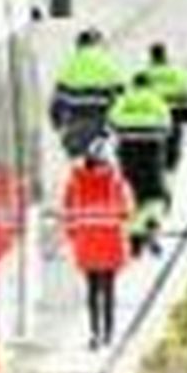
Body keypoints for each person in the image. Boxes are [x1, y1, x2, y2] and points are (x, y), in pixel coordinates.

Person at [61, 138, 135, 347]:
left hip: (86, 243)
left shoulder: (75, 181)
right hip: (111, 243)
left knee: (92, 290)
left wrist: (73, 236)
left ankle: (94, 333)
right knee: (109, 290)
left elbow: (69, 213)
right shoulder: (116, 181)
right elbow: (126, 211)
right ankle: (109, 333)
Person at [107, 70, 175, 255]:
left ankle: (134, 235)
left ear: (134, 85)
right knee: (155, 195)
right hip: (151, 153)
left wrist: (127, 131)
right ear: (149, 85)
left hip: (128, 153)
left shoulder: (124, 100)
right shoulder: (157, 101)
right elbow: (168, 127)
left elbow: (111, 123)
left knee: (132, 194)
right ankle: (150, 225)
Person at [48, 27, 128, 158]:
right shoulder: (107, 62)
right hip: (100, 118)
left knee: (77, 160)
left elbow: (58, 97)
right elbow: (121, 96)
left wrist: (57, 122)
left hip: (75, 120)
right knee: (100, 158)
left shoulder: (70, 64)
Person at [141, 39, 187, 171]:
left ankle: (154, 160)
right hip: (175, 108)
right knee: (175, 133)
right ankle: (172, 161)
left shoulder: (145, 73)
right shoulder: (178, 71)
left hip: (153, 111)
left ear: (151, 56)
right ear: (165, 55)